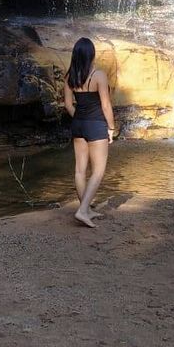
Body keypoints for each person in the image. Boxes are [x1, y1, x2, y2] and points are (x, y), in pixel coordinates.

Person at [63, 37, 115, 228]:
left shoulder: (69, 76)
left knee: (80, 170)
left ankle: (87, 208)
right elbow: (106, 105)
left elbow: (68, 105)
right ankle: (83, 210)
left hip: (78, 124)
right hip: (96, 125)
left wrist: (81, 118)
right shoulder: (98, 75)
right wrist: (111, 128)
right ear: (91, 54)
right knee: (98, 171)